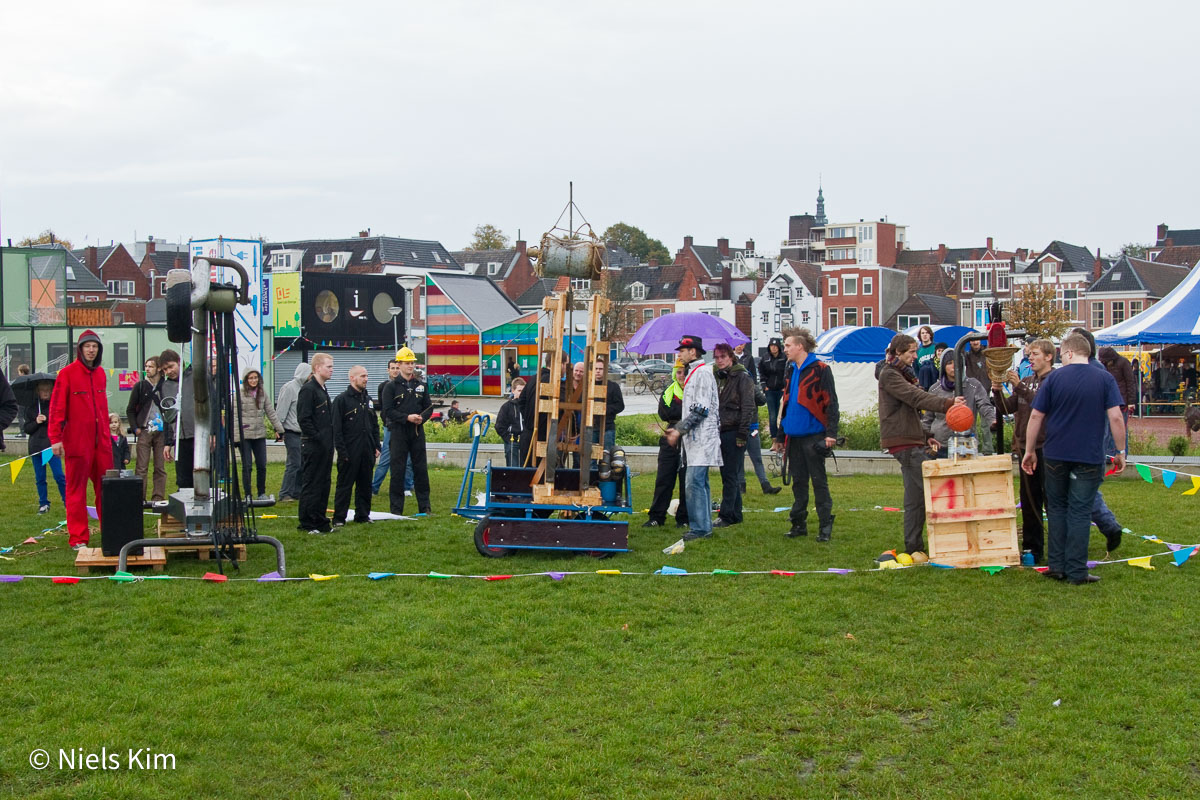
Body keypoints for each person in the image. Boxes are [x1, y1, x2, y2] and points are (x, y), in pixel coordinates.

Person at [1022, 333, 1126, 584]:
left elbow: (1036, 416)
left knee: (1056, 508)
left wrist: (1029, 451)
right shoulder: (1104, 379)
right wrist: (1121, 451)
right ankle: (1077, 571)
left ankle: (1057, 566)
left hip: (1055, 453)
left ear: (1069, 353)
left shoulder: (1055, 378)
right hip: (1089, 455)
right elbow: (1115, 417)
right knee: (1080, 511)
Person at [878, 333, 963, 556]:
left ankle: (914, 547)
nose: (916, 356)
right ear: (898, 353)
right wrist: (949, 404)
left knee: (915, 500)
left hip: (909, 440)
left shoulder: (903, 374)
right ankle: (949, 545)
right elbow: (915, 398)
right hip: (903, 443)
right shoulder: (890, 375)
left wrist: (925, 436)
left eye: (916, 351)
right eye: (911, 352)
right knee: (937, 491)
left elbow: (909, 412)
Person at [48, 330, 113, 550]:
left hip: (102, 444)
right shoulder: (67, 374)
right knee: (76, 491)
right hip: (77, 443)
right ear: (80, 349)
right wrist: (55, 438)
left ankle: (111, 532)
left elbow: (102, 409)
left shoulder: (102, 374)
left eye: (95, 346)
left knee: (106, 489)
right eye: (87, 346)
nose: (91, 350)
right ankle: (78, 538)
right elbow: (57, 408)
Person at [773, 328, 839, 541]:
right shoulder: (791, 370)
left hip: (814, 436)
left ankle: (825, 526)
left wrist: (831, 434)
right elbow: (788, 403)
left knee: (819, 482)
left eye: (788, 345)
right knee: (798, 482)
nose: (785, 349)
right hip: (794, 436)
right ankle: (798, 523)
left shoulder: (821, 369)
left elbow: (831, 403)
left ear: (800, 346)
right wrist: (781, 436)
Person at [994, 338, 1054, 563]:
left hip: (1046, 447)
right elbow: (1006, 408)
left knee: (1051, 499)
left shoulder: (1053, 380)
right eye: (1029, 354)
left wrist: (1019, 386)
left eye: (1035, 353)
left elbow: (1043, 403)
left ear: (1048, 357)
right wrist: (997, 390)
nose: (1030, 357)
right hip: (1024, 448)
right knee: (1029, 501)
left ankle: (1058, 548)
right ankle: (1032, 549)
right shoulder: (1027, 380)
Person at [664, 335, 721, 542]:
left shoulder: (702, 373)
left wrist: (679, 430)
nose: (679, 354)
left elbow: (701, 409)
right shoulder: (694, 373)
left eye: (683, 350)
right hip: (696, 438)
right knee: (699, 483)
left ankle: (700, 528)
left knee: (694, 483)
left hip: (703, 438)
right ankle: (703, 526)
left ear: (693, 352)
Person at [382, 346, 433, 516]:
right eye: (407, 363)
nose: (410, 366)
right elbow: (388, 411)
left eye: (412, 363)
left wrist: (421, 418)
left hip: (417, 432)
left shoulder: (421, 385)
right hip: (398, 432)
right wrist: (406, 418)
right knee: (398, 470)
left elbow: (429, 408)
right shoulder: (391, 387)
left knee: (420, 469)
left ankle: (424, 506)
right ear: (399, 364)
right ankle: (396, 509)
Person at [713, 342, 755, 529]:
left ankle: (727, 514)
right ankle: (736, 513)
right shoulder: (719, 377)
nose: (719, 360)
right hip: (722, 428)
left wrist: (742, 433)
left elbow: (748, 407)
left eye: (723, 357)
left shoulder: (742, 377)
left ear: (731, 357)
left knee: (730, 474)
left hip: (734, 429)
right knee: (729, 473)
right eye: (716, 357)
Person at [332, 365, 380, 526]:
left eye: (366, 376)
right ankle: (339, 518)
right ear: (352, 378)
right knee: (345, 485)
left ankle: (363, 515)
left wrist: (376, 445)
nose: (366, 379)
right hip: (349, 450)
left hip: (367, 449)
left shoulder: (368, 399)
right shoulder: (341, 400)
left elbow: (374, 424)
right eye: (362, 376)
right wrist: (342, 451)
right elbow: (336, 429)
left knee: (365, 485)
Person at [645, 360, 688, 529]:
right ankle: (657, 516)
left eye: (684, 372)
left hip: (689, 437)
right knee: (664, 478)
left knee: (686, 479)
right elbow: (664, 413)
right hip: (670, 436)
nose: (681, 376)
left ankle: (684, 518)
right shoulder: (668, 392)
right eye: (678, 372)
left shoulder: (694, 391)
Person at [925, 356, 995, 457]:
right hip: (940, 443)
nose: (954, 366)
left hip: (966, 443)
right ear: (943, 367)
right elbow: (927, 418)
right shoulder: (935, 389)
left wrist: (992, 420)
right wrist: (926, 438)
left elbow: (985, 405)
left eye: (957, 362)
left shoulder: (973, 385)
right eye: (949, 363)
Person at [296, 353, 335, 533]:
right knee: (312, 484)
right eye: (329, 366)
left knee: (324, 483)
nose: (331, 370)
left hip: (325, 445)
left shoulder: (322, 388)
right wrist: (318, 437)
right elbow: (304, 419)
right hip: (313, 445)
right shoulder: (309, 389)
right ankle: (307, 522)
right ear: (317, 368)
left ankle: (320, 520)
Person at [233, 368, 283, 500]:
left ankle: (261, 493)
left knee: (262, 465)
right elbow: (235, 416)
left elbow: (270, 412)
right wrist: (236, 437)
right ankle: (248, 494)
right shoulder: (239, 394)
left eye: (255, 377)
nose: (253, 380)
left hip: (259, 434)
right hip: (245, 435)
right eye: (250, 378)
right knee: (247, 466)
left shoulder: (262, 393)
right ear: (246, 380)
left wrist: (279, 429)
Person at [126, 355, 167, 502]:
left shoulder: (166, 386)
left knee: (160, 467)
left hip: (162, 431)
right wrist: (136, 428)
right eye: (146, 366)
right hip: (144, 430)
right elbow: (130, 409)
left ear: (159, 369)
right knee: (141, 467)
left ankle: (158, 498)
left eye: (150, 366)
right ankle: (139, 499)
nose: (147, 369)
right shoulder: (140, 386)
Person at [24, 379, 66, 513]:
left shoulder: (56, 406)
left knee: (59, 476)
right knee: (40, 478)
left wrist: (47, 420)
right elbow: (27, 428)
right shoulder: (31, 408)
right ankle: (43, 503)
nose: (45, 393)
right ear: (38, 392)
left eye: (48, 390)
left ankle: (67, 501)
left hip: (51, 446)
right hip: (36, 447)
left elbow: (62, 424)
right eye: (43, 391)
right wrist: (36, 422)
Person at [371, 359, 402, 494]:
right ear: (388, 370)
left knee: (406, 460)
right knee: (386, 457)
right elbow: (385, 409)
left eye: (397, 368)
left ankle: (407, 486)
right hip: (389, 425)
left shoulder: (405, 385)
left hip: (403, 424)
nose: (395, 370)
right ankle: (374, 487)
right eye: (393, 368)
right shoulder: (383, 386)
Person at [1098, 346, 1136, 452]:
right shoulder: (1104, 365)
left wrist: (1131, 402)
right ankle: (1109, 455)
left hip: (1122, 402)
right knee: (1107, 430)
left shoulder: (1124, 363)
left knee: (1121, 429)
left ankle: (1122, 453)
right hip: (1108, 401)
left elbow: (1130, 382)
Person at [165, 360, 195, 490]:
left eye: (171, 366)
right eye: (165, 369)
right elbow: (167, 415)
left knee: (202, 474)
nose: (169, 371)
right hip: (180, 438)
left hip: (197, 435)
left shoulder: (195, 378)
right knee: (182, 479)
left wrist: (212, 432)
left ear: (179, 363)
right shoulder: (166, 386)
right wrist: (167, 442)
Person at [593, 357, 625, 456]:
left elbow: (620, 405)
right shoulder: (588, 387)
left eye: (601, 369)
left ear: (605, 370)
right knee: (591, 458)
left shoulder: (613, 386)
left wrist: (605, 409)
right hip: (591, 427)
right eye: (596, 368)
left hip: (608, 427)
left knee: (606, 457)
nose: (598, 371)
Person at [759, 338, 787, 440]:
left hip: (781, 390)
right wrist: (764, 386)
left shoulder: (784, 358)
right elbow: (761, 372)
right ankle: (774, 438)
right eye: (771, 346)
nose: (773, 348)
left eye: (775, 346)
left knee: (782, 414)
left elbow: (787, 372)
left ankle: (782, 437)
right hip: (769, 390)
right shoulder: (765, 358)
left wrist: (785, 386)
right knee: (772, 416)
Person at [495, 377, 525, 467]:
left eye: (523, 391)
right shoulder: (507, 407)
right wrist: (507, 438)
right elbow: (499, 426)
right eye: (519, 391)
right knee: (513, 467)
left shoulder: (528, 406)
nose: (522, 393)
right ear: (513, 391)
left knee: (526, 468)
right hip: (512, 442)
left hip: (526, 442)